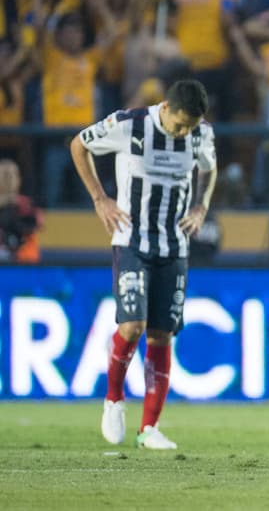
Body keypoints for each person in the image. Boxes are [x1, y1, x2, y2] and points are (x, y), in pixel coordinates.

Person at [68, 80, 217, 451]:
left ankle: (148, 428)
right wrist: (100, 199)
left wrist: (201, 206)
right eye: (179, 125)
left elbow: (209, 170)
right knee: (132, 327)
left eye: (190, 127)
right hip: (132, 240)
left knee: (160, 336)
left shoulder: (201, 135)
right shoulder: (129, 124)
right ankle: (114, 399)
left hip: (174, 245)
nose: (183, 133)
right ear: (165, 107)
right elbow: (78, 145)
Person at [0, 159, 42, 263]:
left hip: (23, 266)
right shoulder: (26, 206)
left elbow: (35, 226)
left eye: (11, 176)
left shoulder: (26, 207)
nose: (8, 181)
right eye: (4, 176)